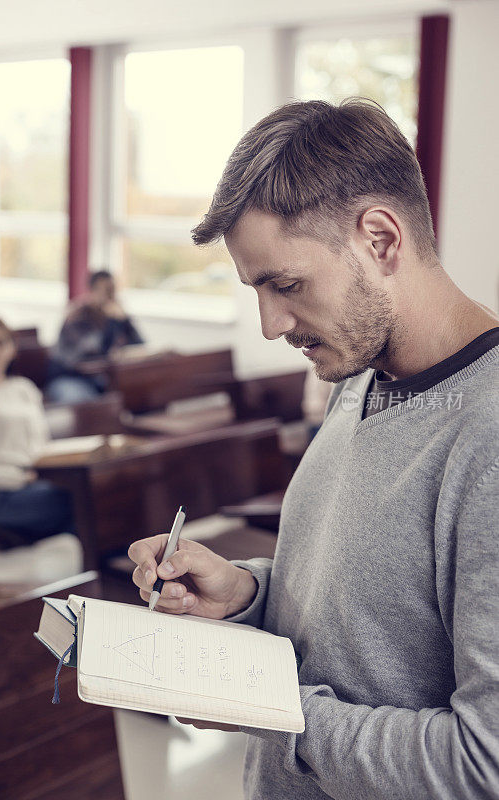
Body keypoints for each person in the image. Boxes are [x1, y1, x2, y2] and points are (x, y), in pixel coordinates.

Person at [128, 99, 499, 800]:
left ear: (381, 240)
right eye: (256, 290)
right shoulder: (359, 376)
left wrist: (271, 712)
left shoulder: (487, 436)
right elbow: (374, 621)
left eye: (286, 284)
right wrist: (248, 594)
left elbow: (484, 767)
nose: (271, 324)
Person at [0, 317, 73, 540]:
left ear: (12, 349)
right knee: (70, 502)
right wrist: (21, 477)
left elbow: (42, 444)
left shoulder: (24, 388)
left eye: (0, 343)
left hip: (35, 480)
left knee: (90, 494)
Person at [46, 269, 144, 403]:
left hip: (99, 379)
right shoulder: (78, 316)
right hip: (69, 378)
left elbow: (139, 344)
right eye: (105, 290)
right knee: (88, 404)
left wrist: (125, 321)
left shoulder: (116, 315)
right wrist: (112, 322)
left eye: (112, 290)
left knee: (131, 397)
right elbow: (92, 349)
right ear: (92, 290)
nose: (109, 296)